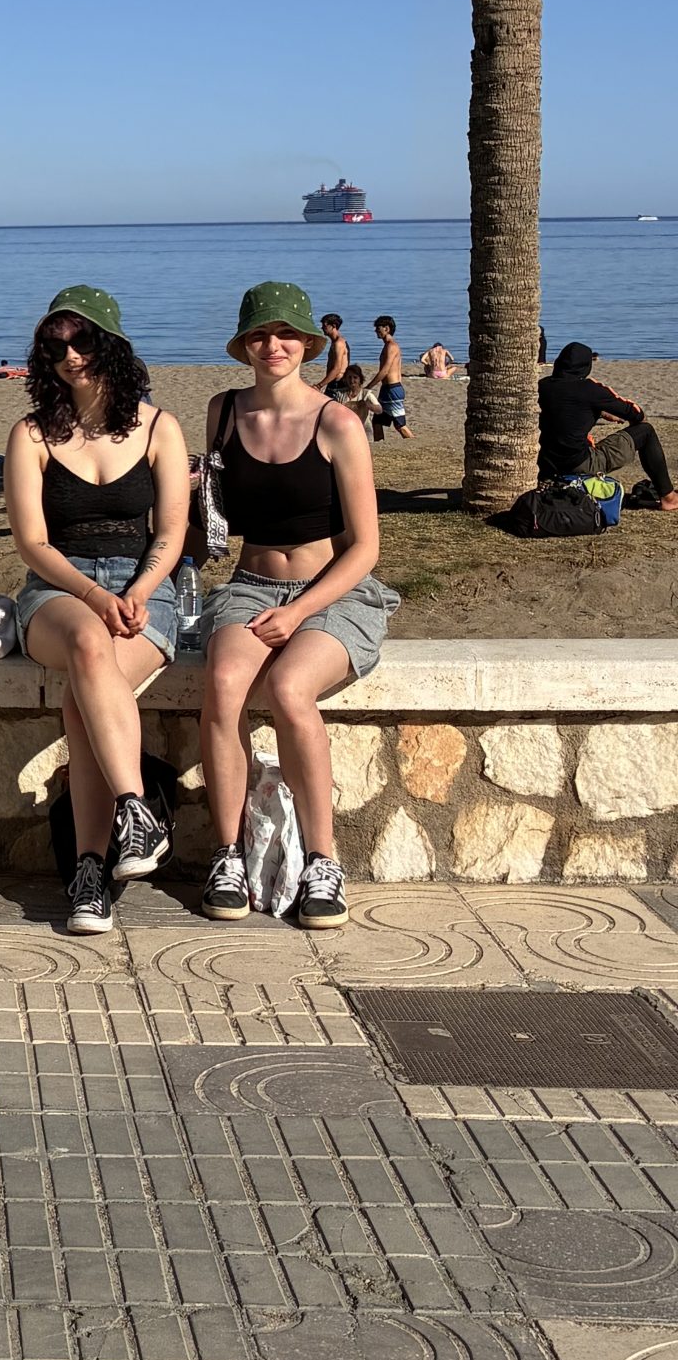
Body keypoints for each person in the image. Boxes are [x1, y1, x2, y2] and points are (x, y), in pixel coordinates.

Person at [197, 282, 398, 931]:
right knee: (224, 682)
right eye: (260, 334)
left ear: (308, 344)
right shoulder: (223, 412)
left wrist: (299, 610)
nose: (273, 345)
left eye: (286, 334)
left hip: (336, 591)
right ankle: (227, 855)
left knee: (288, 689)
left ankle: (322, 860)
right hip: (251, 586)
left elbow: (365, 547)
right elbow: (215, 521)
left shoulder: (338, 422)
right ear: (244, 345)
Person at [5, 287, 190, 936]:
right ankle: (136, 810)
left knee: (83, 699)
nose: (70, 356)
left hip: (145, 590)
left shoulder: (159, 426)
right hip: (58, 591)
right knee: (88, 645)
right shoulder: (31, 434)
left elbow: (171, 528)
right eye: (55, 346)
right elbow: (32, 543)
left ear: (110, 344)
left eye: (82, 341)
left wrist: (138, 591)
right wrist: (93, 596)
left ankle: (89, 873)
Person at [538, 344, 678, 509]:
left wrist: (598, 412)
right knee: (645, 432)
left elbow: (564, 414)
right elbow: (636, 413)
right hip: (578, 463)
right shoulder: (589, 389)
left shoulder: (542, 386)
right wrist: (602, 406)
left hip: (545, 463)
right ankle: (669, 498)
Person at [362, 316, 412, 440]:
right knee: (377, 421)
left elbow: (385, 370)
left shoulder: (391, 346)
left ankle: (413, 442)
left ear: (387, 328)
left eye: (378, 328)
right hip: (387, 389)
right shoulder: (387, 346)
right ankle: (379, 444)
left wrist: (369, 387)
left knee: (399, 424)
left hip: (392, 389)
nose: (376, 331)